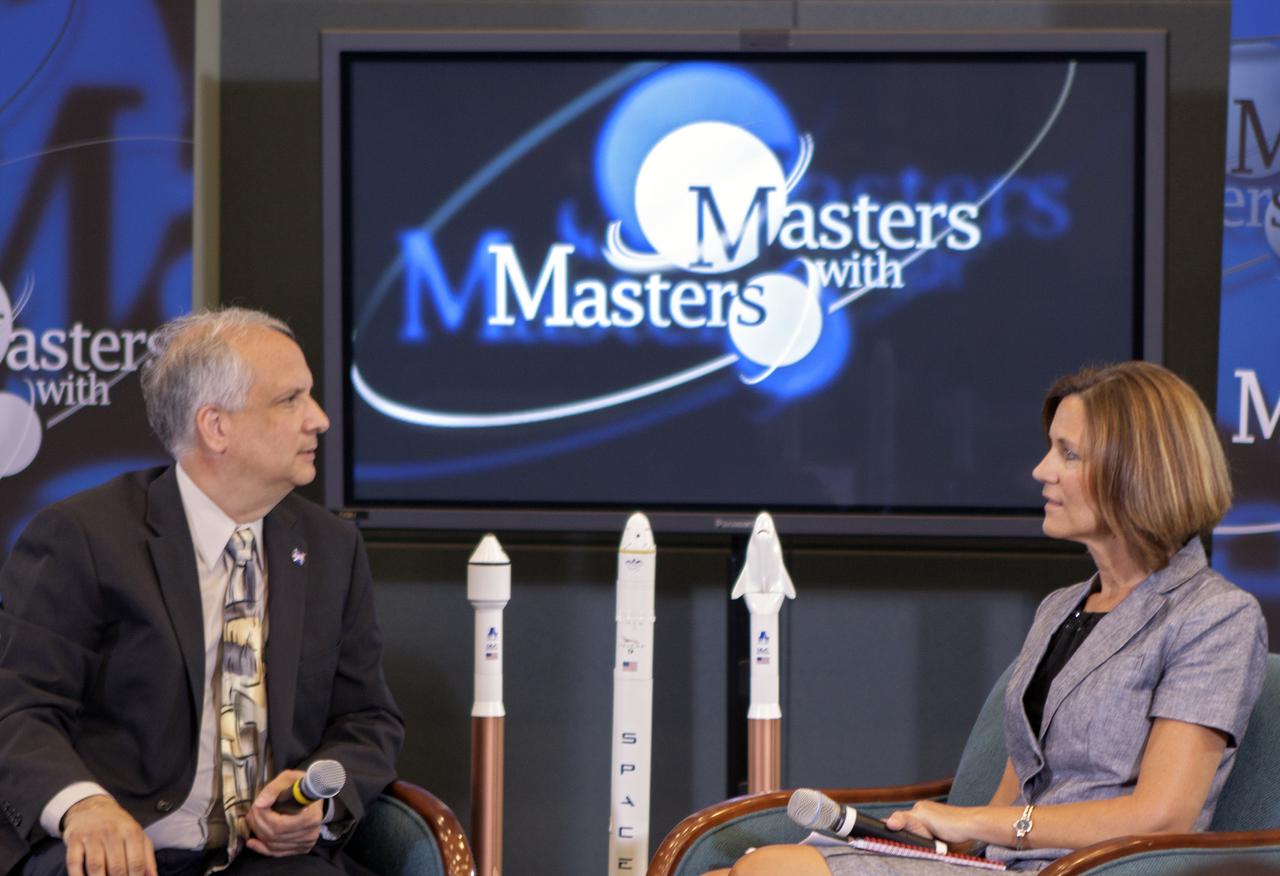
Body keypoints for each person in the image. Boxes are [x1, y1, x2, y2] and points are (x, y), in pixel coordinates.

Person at [711, 361, 1268, 875]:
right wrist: (944, 838)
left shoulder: (1215, 617)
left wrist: (974, 822)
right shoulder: (1061, 607)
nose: (1042, 470)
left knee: (771, 870)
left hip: (1087, 868)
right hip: (1000, 865)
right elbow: (1018, 784)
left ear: (1139, 471)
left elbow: (1162, 817)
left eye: (1068, 454)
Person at [0, 308, 404, 876]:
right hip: (127, 846)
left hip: (268, 857)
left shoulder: (331, 548)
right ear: (216, 426)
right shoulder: (84, 537)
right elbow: (20, 709)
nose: (319, 419)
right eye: (290, 400)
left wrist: (320, 803)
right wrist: (83, 806)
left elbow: (367, 718)